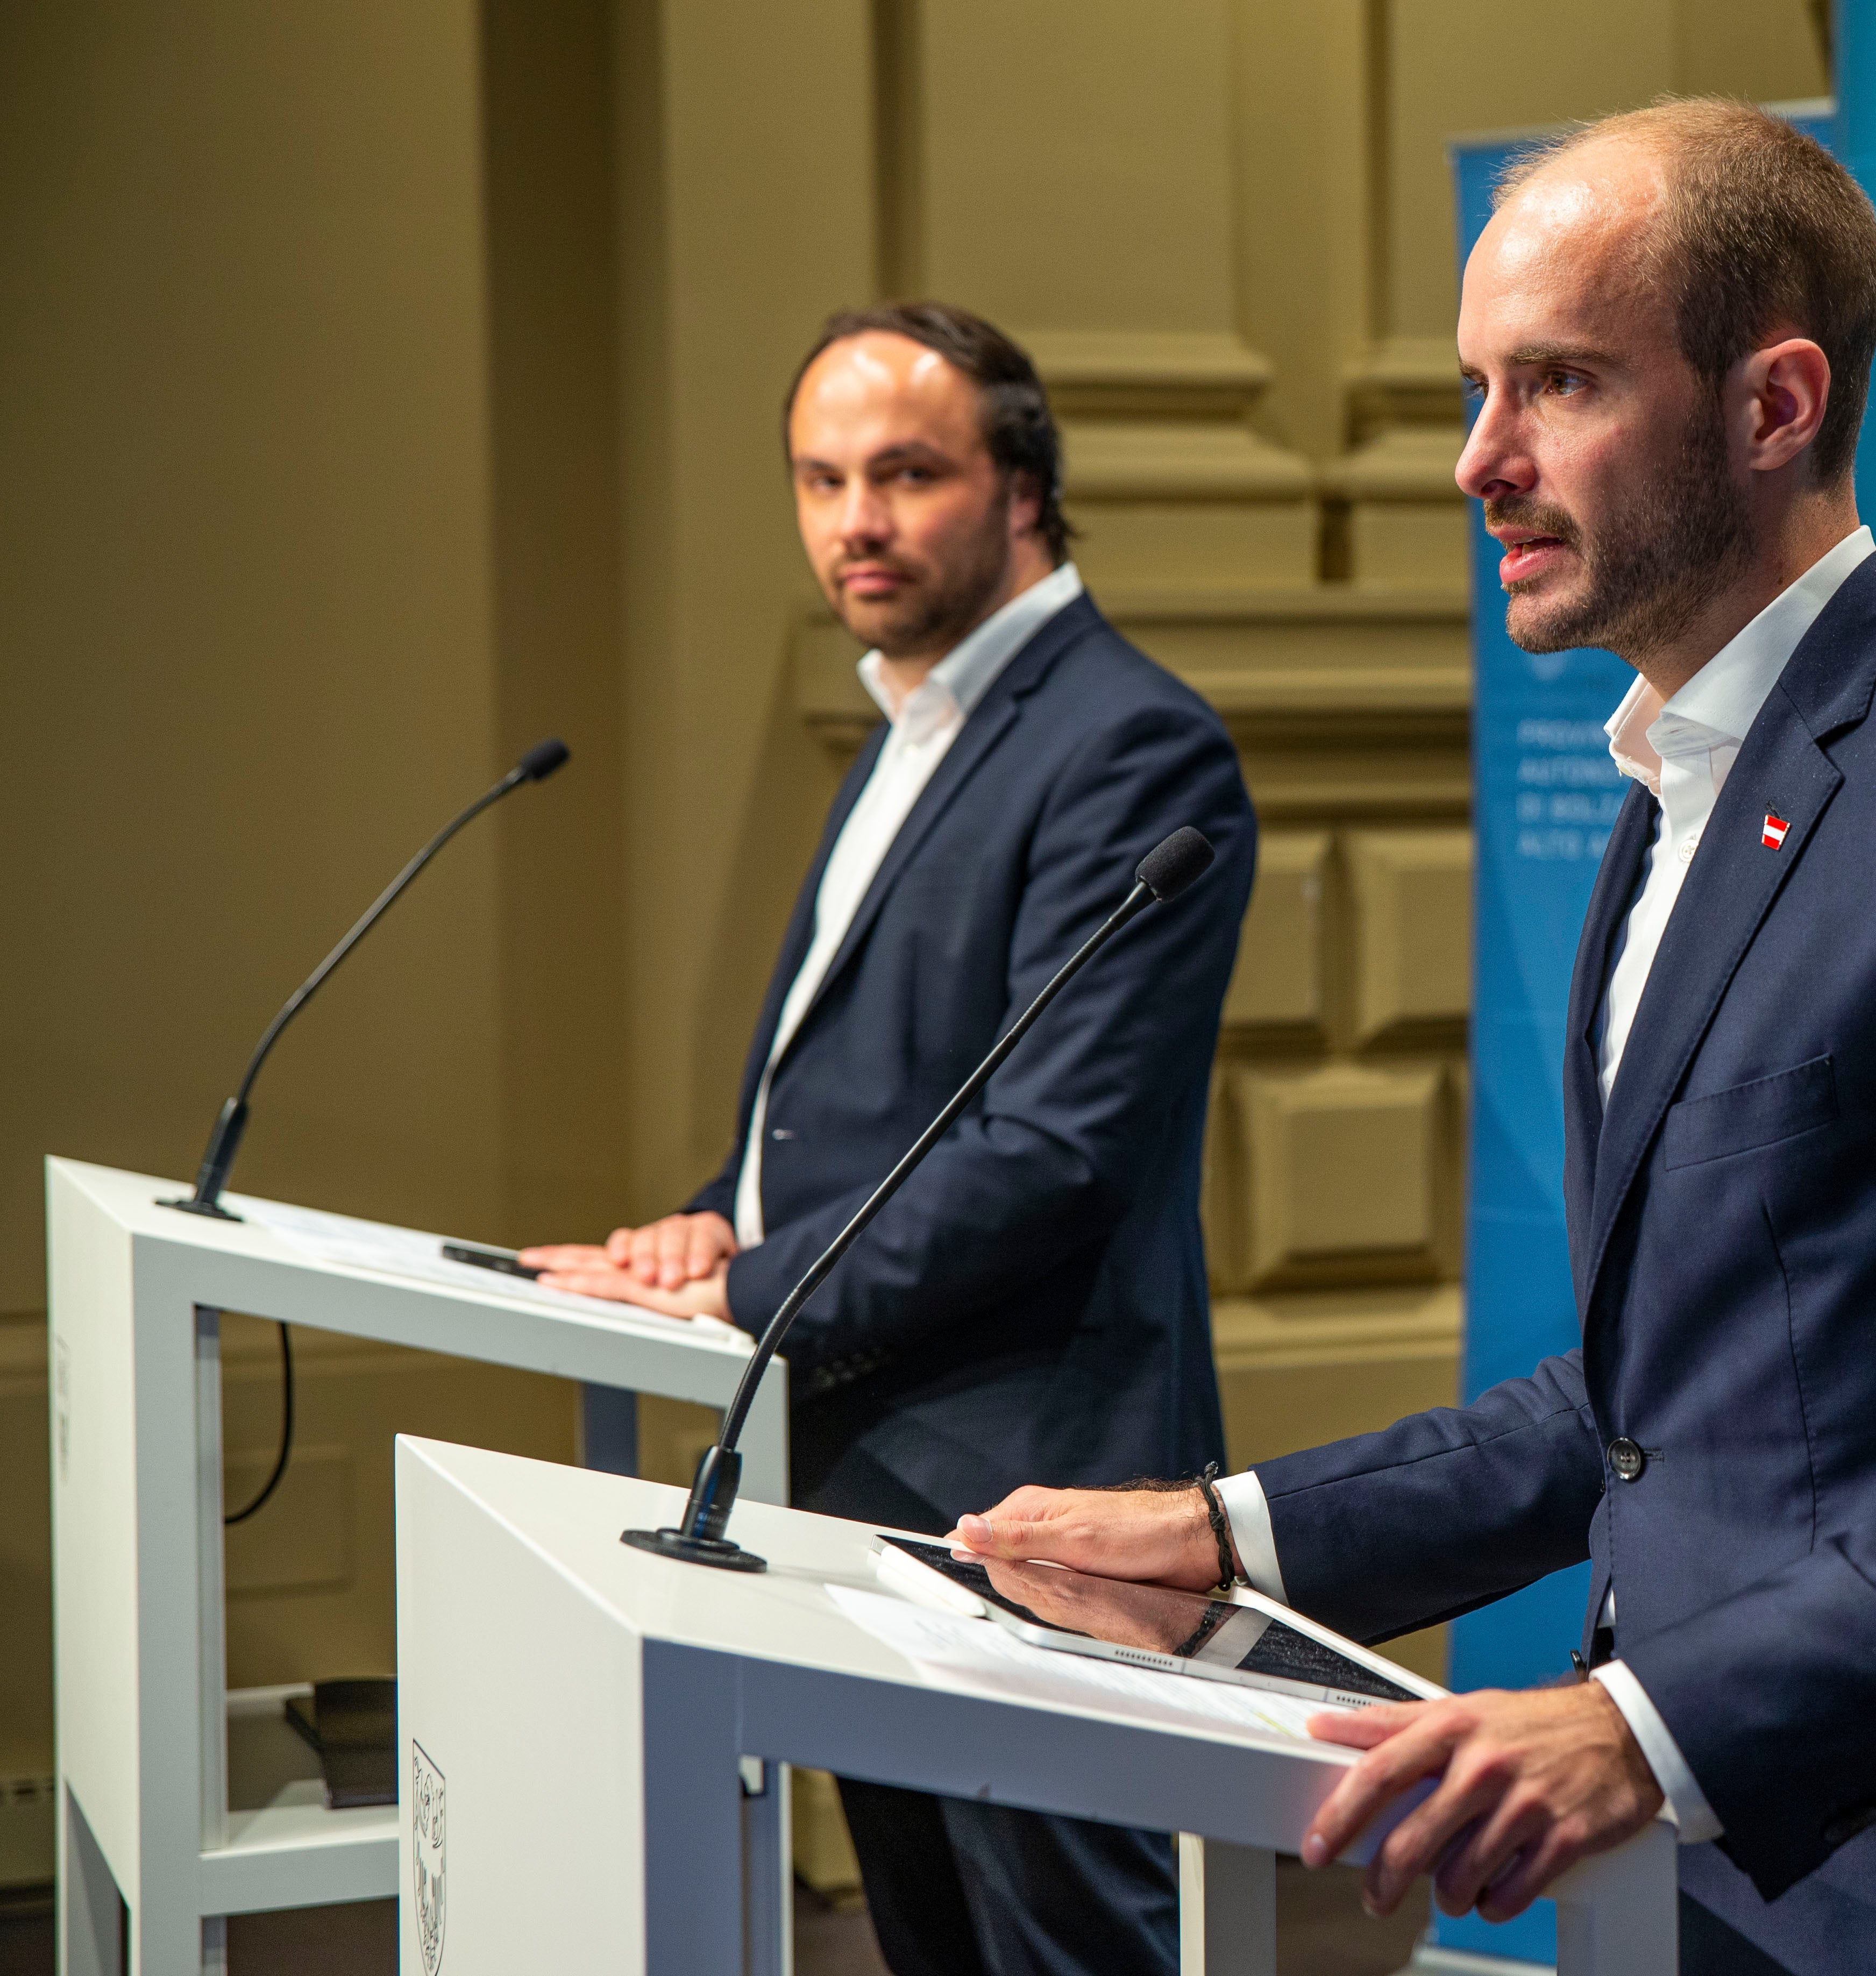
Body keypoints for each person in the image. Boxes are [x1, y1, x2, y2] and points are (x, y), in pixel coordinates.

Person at [953, 100, 1876, 1975]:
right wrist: (1233, 1535)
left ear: (1771, 403)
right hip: (1712, 1877)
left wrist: (1646, 1732)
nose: (1479, 461)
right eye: (1478, 388)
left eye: (1555, 382)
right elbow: (1671, 1400)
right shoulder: (1679, 790)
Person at [520, 301, 1255, 1976]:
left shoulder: (1129, 741)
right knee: (931, 1938)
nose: (855, 519)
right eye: (821, 477)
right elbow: (862, 1089)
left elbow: (1055, 1144)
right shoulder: (913, 718)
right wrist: (724, 1219)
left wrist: (749, 1291)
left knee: (1069, 1942)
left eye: (907, 473)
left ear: (1023, 487)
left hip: (1030, 1477)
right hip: (867, 1443)